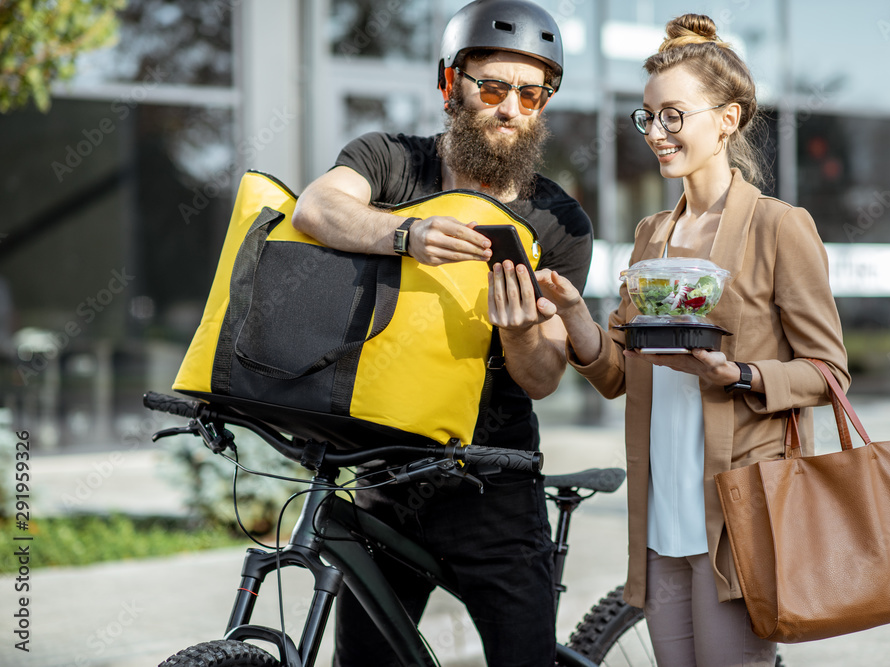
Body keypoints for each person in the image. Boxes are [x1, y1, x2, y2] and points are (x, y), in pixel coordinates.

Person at [537, 13, 849, 667]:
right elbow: (619, 370)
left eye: (673, 116)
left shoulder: (778, 227)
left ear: (727, 119)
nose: (655, 133)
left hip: (737, 517)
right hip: (660, 516)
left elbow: (828, 372)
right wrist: (573, 317)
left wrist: (736, 374)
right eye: (647, 117)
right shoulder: (652, 234)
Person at [290, 1, 593, 665]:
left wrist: (518, 335)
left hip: (495, 483)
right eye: (492, 88)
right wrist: (405, 233)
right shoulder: (392, 161)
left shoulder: (559, 221)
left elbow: (542, 377)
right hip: (385, 469)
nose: (511, 107)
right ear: (449, 85)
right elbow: (316, 206)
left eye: (532, 94)